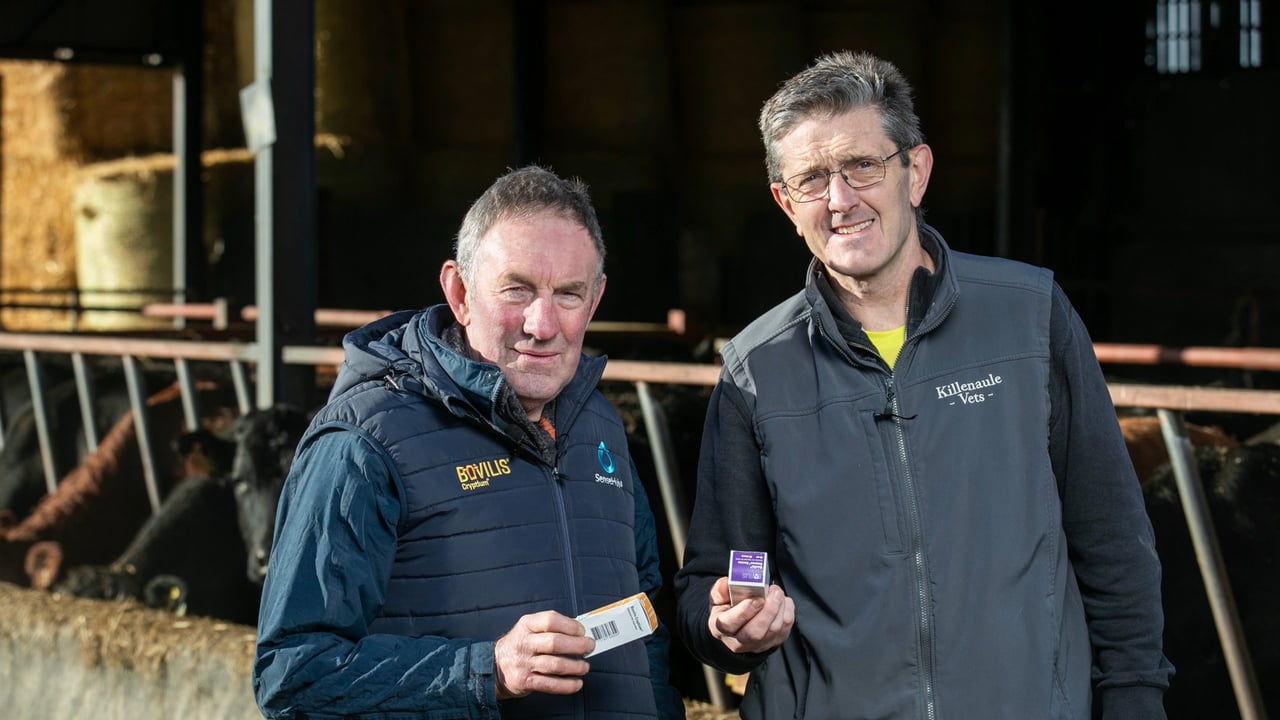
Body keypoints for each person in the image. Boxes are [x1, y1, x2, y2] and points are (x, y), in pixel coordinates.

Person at [673, 51, 1173, 719]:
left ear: (917, 172)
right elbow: (715, 579)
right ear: (785, 203)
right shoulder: (755, 371)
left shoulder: (1030, 318)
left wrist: (1135, 699)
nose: (840, 200)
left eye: (863, 166)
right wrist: (728, 627)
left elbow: (1112, 538)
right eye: (812, 179)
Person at [254, 165, 685, 720]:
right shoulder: (365, 441)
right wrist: (488, 671)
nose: (542, 324)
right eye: (517, 290)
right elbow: (293, 676)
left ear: (596, 298)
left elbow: (645, 628)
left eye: (569, 294)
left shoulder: (600, 426)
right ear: (459, 292)